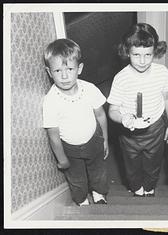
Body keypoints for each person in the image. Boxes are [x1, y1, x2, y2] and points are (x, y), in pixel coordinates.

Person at [107, 23, 168, 197]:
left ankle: (150, 186)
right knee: (131, 164)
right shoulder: (121, 78)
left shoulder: (161, 72)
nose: (143, 61)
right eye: (136, 55)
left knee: (154, 163)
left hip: (156, 128)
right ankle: (136, 187)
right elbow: (113, 110)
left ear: (155, 52)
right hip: (129, 134)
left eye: (148, 55)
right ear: (127, 52)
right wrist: (124, 119)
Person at [42, 38, 109, 206]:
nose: (64, 76)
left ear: (79, 69)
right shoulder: (50, 101)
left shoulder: (90, 89)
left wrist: (105, 139)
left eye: (70, 69)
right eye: (57, 71)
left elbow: (101, 115)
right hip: (69, 148)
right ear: (49, 72)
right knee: (77, 179)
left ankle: (99, 193)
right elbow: (53, 135)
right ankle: (81, 200)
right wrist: (62, 158)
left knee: (98, 172)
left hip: (94, 139)